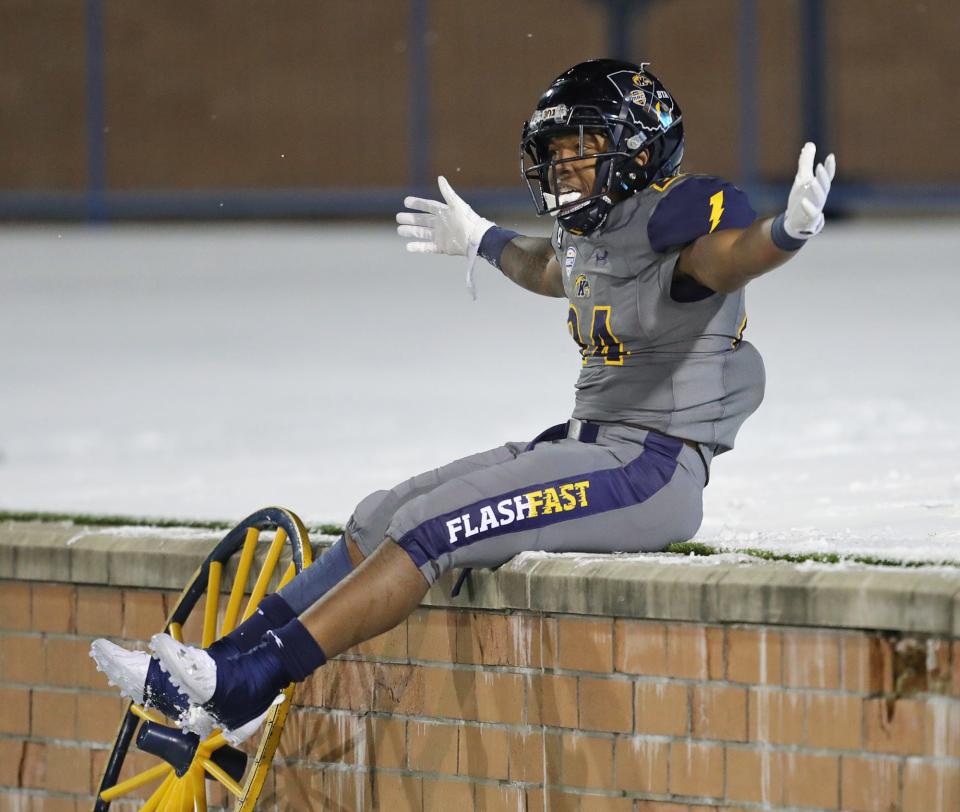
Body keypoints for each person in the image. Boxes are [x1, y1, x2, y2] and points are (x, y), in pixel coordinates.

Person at [91, 58, 836, 740]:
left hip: (651, 467)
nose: (563, 163)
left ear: (638, 150)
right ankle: (215, 670)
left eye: (582, 144)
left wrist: (788, 230)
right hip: (589, 443)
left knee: (428, 527)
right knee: (381, 513)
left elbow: (733, 256)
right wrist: (481, 238)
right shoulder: (598, 230)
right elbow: (552, 270)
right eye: (556, 149)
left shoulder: (681, 230)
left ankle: (251, 686)